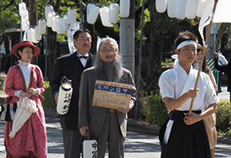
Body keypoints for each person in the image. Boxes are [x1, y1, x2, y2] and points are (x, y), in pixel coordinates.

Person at [158, 31, 219, 158]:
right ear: (177, 52)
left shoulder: (202, 77)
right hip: (177, 124)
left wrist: (199, 117)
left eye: (194, 49)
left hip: (198, 125)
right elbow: (170, 105)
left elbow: (214, 105)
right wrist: (187, 95)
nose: (191, 53)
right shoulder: (168, 76)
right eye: (187, 49)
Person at [78, 37, 136, 158]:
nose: (109, 53)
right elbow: (83, 101)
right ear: (98, 53)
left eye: (112, 50)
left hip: (117, 120)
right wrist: (83, 124)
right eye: (104, 49)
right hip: (96, 122)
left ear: (118, 53)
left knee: (117, 155)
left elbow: (133, 95)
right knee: (95, 155)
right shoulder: (88, 74)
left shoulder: (126, 74)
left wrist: (129, 105)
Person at [50, 29, 95, 158]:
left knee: (92, 153)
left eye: (89, 40)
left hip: (94, 116)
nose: (86, 42)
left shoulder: (98, 62)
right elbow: (54, 82)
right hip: (71, 114)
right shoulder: (63, 62)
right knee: (72, 152)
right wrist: (56, 93)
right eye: (82, 39)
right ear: (74, 42)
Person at [4, 41, 47, 158]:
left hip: (34, 107)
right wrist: (19, 93)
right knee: (19, 135)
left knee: (38, 133)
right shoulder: (13, 70)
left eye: (31, 52)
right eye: (27, 52)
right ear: (20, 53)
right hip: (18, 107)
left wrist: (36, 91)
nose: (29, 54)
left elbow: (42, 86)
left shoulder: (36, 69)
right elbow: (7, 89)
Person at [197, 48, 218, 158]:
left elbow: (214, 88)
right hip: (191, 110)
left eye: (201, 53)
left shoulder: (206, 71)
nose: (199, 56)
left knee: (209, 140)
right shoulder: (186, 70)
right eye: (197, 53)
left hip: (206, 109)